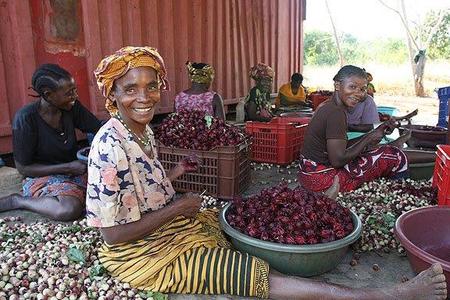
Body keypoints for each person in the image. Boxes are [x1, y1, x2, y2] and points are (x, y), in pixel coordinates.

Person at [85, 47, 447, 300]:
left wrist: (176, 171)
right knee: (247, 274)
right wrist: (179, 208)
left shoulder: (141, 129)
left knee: (226, 221)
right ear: (112, 94)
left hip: (165, 228)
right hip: (141, 255)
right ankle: (386, 295)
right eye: (130, 89)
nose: (144, 97)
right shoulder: (108, 145)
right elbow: (113, 236)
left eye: (150, 86)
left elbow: (142, 183)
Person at [298, 65, 435, 193]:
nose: (359, 94)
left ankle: (405, 149)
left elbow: (340, 146)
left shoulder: (329, 106)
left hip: (308, 174)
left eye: (363, 89)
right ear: (337, 85)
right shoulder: (336, 113)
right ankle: (401, 190)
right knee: (392, 155)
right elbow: (337, 160)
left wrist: (372, 136)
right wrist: (369, 138)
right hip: (323, 180)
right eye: (352, 87)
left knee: (375, 149)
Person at [0, 64, 102, 220]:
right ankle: (18, 200)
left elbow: (99, 129)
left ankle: (74, 194)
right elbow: (24, 168)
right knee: (68, 209)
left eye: (74, 90)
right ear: (48, 95)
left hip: (76, 172)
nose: (75, 96)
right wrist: (68, 167)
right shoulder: (26, 119)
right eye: (69, 93)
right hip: (42, 177)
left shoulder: (71, 108)